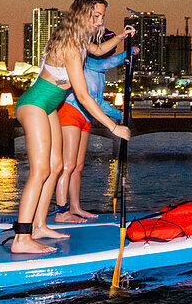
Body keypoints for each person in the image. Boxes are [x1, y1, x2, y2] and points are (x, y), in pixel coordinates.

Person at [11, 0, 133, 254]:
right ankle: (21, 237)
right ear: (82, 13)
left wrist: (122, 37)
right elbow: (84, 97)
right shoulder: (69, 46)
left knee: (56, 167)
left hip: (49, 108)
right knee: (41, 170)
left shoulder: (79, 41)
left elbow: (100, 49)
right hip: (33, 105)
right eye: (96, 16)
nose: (100, 22)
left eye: (102, 16)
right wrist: (113, 127)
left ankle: (40, 225)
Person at [53, 31, 138, 222]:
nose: (110, 51)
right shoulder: (87, 60)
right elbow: (104, 63)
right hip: (70, 111)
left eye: (114, 49)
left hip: (86, 117)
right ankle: (61, 212)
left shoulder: (100, 77)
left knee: (79, 166)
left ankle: (75, 207)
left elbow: (98, 102)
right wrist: (128, 52)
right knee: (68, 165)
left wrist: (121, 114)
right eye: (109, 47)